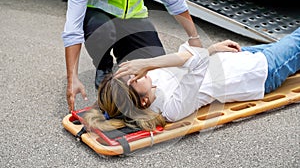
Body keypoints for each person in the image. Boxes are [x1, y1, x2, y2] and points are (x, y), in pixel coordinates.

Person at [83, 27, 300, 131]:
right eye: (133, 79)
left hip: (237, 57)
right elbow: (194, 61)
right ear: (143, 101)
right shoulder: (172, 107)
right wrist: (150, 63)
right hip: (260, 71)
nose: (137, 73)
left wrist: (213, 49)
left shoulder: (151, 84)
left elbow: (187, 60)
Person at [62, 0, 203, 112]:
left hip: (133, 17)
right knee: (102, 32)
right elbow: (73, 29)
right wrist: (72, 77)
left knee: (156, 70)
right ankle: (104, 68)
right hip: (98, 18)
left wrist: (194, 37)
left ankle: (125, 68)